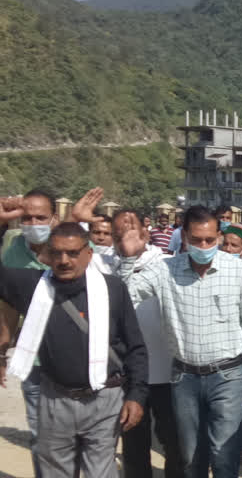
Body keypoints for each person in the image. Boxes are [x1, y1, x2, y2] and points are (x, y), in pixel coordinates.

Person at [119, 205, 242, 478]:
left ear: (219, 238)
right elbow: (122, 298)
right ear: (184, 237)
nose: (203, 246)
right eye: (196, 240)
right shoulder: (164, 270)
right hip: (184, 378)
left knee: (224, 456)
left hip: (229, 377)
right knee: (190, 458)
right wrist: (129, 259)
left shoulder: (240, 272)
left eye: (210, 240)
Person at [0, 209, 148, 478]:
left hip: (104, 399)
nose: (64, 260)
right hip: (54, 399)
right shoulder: (33, 287)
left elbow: (134, 346)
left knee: (100, 473)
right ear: (47, 255)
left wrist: (136, 395)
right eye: (56, 253)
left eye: (72, 253)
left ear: (88, 254)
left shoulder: (113, 289)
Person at [111, 210, 183, 478]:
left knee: (173, 441)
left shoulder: (167, 263)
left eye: (133, 229)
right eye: (120, 232)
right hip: (129, 374)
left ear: (145, 230)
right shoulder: (107, 264)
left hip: (168, 372)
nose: (126, 235)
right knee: (133, 442)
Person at [0, 189, 59, 477]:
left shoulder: (72, 249)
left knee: (75, 439)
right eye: (27, 218)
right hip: (33, 363)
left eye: (41, 217)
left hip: (72, 364)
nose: (33, 224)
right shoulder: (12, 250)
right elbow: (9, 307)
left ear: (55, 218)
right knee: (41, 437)